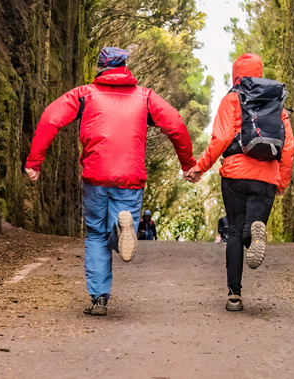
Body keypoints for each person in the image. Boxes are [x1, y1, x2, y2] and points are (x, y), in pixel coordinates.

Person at [25, 46, 194, 316]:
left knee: (95, 235)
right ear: (125, 67)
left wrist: (35, 162)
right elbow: (175, 123)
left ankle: (99, 299)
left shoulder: (85, 95)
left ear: (100, 68)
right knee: (116, 231)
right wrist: (187, 164)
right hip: (130, 177)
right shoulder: (145, 97)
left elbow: (50, 118)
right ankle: (123, 231)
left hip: (96, 175)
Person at [185, 53, 294, 312]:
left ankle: (234, 296)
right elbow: (288, 146)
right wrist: (281, 182)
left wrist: (200, 168)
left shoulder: (231, 99)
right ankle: (255, 232)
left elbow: (221, 139)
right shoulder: (276, 102)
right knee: (251, 228)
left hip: (235, 174)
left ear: (236, 75)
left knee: (233, 232)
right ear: (260, 71)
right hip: (266, 176)